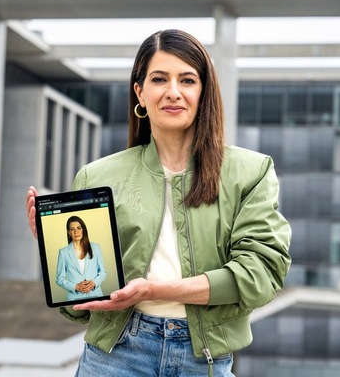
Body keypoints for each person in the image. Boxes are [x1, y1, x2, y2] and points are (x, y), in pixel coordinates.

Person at [26, 29, 291, 377]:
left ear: (204, 90)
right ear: (140, 91)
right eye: (159, 79)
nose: (173, 92)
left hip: (204, 359)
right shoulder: (97, 176)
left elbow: (260, 275)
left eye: (187, 80)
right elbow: (80, 309)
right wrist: (55, 250)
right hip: (116, 357)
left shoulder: (250, 172)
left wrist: (153, 290)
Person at [56, 215, 108, 300]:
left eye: (79, 228)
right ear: (69, 232)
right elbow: (59, 279)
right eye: (72, 229)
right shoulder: (63, 252)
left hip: (96, 295)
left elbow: (103, 272)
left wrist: (94, 283)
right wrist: (75, 287)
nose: (76, 232)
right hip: (75, 298)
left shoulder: (95, 248)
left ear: (83, 229)